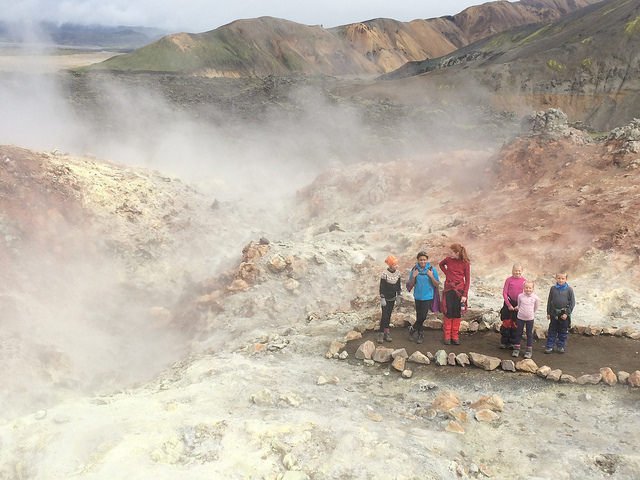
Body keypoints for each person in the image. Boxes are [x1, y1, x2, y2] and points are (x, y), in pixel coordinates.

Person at [439, 243, 470, 345]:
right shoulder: (448, 260)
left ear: (457, 253)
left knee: (457, 313)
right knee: (448, 311)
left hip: (459, 291)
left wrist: (465, 295)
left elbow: (468, 280)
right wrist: (447, 273)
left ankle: (455, 336)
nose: (449, 253)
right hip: (449, 289)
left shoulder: (465, 263)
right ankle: (447, 336)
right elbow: (441, 264)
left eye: (451, 251)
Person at [406, 251, 440, 344]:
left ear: (427, 260)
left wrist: (431, 276)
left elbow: (437, 284)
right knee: (419, 316)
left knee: (423, 317)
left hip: (428, 297)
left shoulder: (432, 269)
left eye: (424, 260)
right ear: (418, 260)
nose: (422, 262)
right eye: (421, 260)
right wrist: (413, 276)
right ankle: (420, 334)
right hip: (417, 296)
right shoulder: (414, 269)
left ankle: (413, 329)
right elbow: (410, 284)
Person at [544, 272, 575, 354]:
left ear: (566, 279)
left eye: (563, 278)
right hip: (554, 313)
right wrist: (548, 312)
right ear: (556, 278)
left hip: (564, 314)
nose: (560, 280)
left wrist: (567, 313)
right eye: (559, 278)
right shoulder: (553, 289)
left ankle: (560, 346)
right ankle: (549, 346)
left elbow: (572, 303)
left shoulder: (569, 290)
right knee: (552, 330)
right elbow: (549, 301)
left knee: (563, 331)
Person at [500, 264, 526, 349]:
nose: (517, 272)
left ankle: (512, 342)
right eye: (515, 270)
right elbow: (504, 293)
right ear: (512, 270)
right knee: (506, 323)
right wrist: (509, 305)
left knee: (515, 324)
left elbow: (525, 294)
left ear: (522, 271)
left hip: (518, 304)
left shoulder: (524, 281)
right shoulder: (509, 280)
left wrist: (519, 305)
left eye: (519, 271)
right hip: (509, 303)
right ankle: (504, 341)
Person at [512, 281, 540, 359]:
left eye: (530, 288)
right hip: (520, 317)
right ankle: (516, 349)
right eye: (526, 287)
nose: (528, 289)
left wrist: (531, 313)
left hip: (530, 318)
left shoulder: (535, 298)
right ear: (523, 288)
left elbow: (536, 307)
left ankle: (528, 350)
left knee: (529, 334)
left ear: (533, 289)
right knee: (518, 333)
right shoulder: (520, 296)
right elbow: (519, 305)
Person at [378, 255, 402, 344]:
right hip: (385, 299)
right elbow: (382, 286)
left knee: (388, 316)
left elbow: (398, 285)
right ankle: (380, 333)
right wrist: (382, 297)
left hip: (392, 298)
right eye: (394, 264)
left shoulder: (398, 273)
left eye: (396, 264)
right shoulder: (384, 274)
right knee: (384, 316)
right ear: (390, 265)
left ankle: (386, 332)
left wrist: (399, 295)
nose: (396, 266)